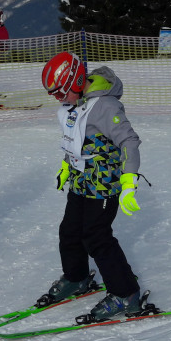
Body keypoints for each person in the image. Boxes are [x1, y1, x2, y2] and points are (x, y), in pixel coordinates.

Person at [39, 51, 144, 321]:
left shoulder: (105, 106)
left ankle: (126, 293)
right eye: (53, 94)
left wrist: (129, 180)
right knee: (70, 232)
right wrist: (66, 166)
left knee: (97, 237)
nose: (57, 98)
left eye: (60, 92)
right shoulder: (77, 103)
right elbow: (74, 139)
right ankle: (77, 277)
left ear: (75, 81)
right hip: (81, 181)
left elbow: (129, 142)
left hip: (105, 184)